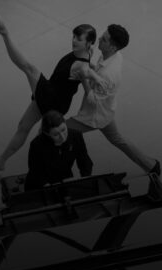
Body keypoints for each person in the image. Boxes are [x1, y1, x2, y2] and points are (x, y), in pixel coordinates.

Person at [0, 11, 96, 172]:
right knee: (23, 127)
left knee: (29, 68)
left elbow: (85, 73)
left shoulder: (81, 65)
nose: (73, 41)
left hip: (52, 98)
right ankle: (0, 161)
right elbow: (85, 73)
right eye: (73, 37)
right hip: (54, 98)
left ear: (89, 43)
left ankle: (4, 33)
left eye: (79, 39)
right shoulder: (87, 53)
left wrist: (90, 91)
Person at [66, 24, 161, 176]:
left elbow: (93, 101)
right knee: (118, 139)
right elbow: (98, 70)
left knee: (63, 131)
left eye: (104, 39)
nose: (99, 39)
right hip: (107, 111)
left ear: (113, 46)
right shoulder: (114, 56)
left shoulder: (108, 74)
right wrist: (88, 66)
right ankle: (151, 165)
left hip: (93, 116)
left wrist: (84, 76)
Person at [24, 110, 93, 191]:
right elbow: (35, 172)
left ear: (65, 124)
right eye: (56, 134)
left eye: (63, 130)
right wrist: (49, 187)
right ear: (47, 134)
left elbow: (85, 162)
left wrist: (85, 179)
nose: (63, 137)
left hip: (65, 179)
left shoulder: (76, 136)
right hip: (40, 184)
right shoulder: (37, 144)